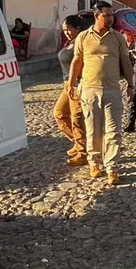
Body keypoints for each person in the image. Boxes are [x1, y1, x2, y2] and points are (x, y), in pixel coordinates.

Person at [68, 1, 134, 185]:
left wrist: (131, 84)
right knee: (93, 130)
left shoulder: (118, 38)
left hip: (112, 89)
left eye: (112, 15)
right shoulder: (83, 37)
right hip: (89, 89)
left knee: (114, 131)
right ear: (97, 16)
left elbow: (126, 62)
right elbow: (76, 61)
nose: (110, 18)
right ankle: (94, 163)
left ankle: (112, 167)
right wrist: (71, 83)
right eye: (106, 15)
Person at [52, 15, 86, 166]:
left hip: (77, 84)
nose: (66, 32)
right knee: (59, 114)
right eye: (64, 30)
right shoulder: (70, 42)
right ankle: (82, 144)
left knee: (77, 119)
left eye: (69, 29)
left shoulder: (82, 41)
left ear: (78, 28)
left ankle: (83, 152)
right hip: (67, 84)